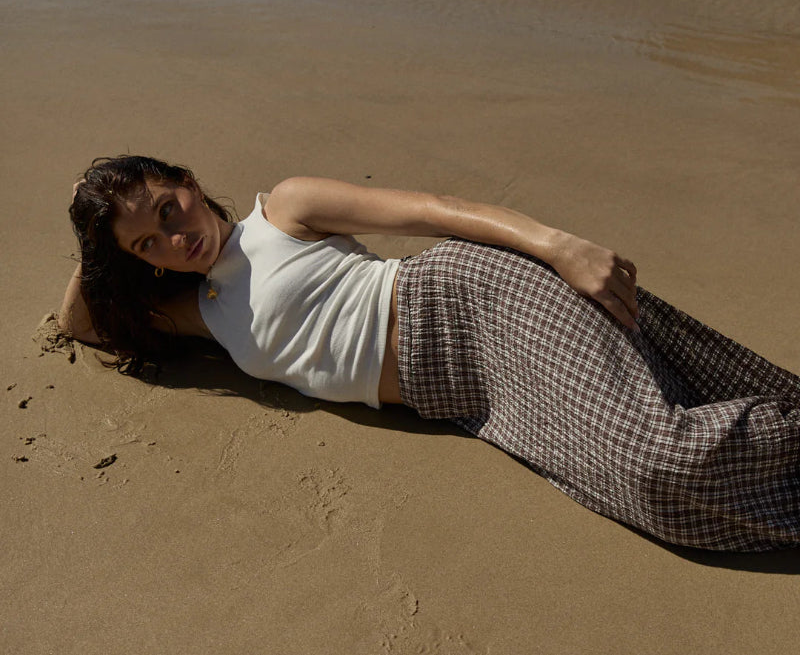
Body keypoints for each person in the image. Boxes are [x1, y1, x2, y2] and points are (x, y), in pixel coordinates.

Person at [61, 155, 800, 553]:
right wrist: (96, 233)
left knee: (657, 458)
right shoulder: (197, 310)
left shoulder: (282, 209)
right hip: (472, 396)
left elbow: (434, 211)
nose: (174, 235)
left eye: (168, 207)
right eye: (147, 243)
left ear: (188, 182)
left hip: (470, 303)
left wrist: (558, 245)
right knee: (644, 494)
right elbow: (82, 322)